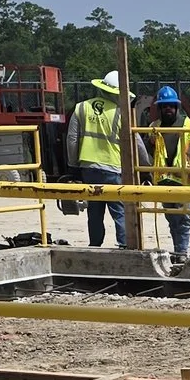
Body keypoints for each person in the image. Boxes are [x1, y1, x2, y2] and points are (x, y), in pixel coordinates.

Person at [64, 70, 127, 248]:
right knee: (119, 211)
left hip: (89, 167)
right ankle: (124, 245)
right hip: (113, 167)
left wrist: (73, 165)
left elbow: (72, 139)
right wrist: (144, 166)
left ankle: (95, 245)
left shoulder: (81, 108)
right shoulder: (120, 113)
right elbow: (134, 142)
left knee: (94, 211)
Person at [145, 85, 190, 264]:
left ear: (177, 107)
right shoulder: (154, 127)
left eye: (171, 106)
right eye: (164, 106)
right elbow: (147, 149)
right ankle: (178, 251)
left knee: (184, 218)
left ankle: (182, 252)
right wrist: (149, 168)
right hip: (164, 179)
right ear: (160, 108)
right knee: (171, 218)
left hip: (185, 178)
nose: (168, 109)